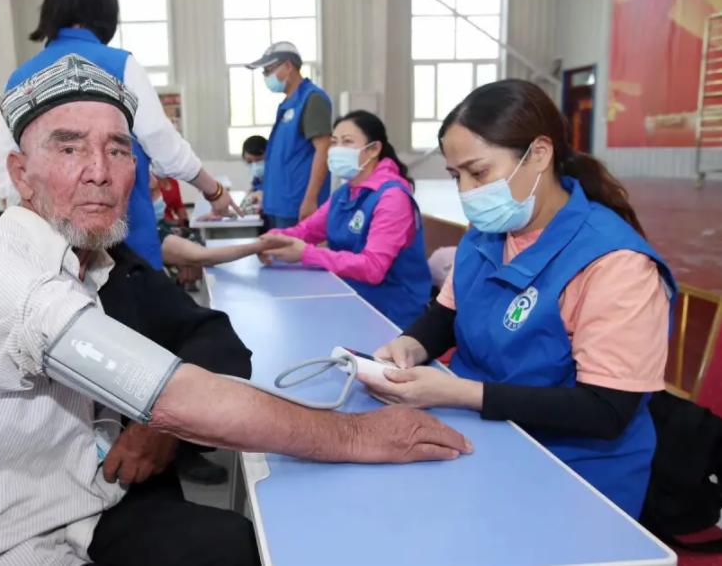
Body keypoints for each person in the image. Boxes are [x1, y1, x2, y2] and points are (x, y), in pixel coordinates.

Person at [0, 53, 471, 566]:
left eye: (118, 150)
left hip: (68, 509)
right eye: (69, 147)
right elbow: (175, 397)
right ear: (21, 174)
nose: (99, 171)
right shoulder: (3, 272)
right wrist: (358, 435)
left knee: (236, 543)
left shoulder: (89, 262)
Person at [360, 79, 676, 520]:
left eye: (478, 172)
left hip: (574, 475)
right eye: (456, 176)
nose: (467, 192)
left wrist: (461, 392)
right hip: (483, 439)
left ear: (540, 154)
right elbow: (447, 313)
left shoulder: (614, 263)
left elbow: (606, 409)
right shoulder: (487, 235)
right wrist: (410, 344)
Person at [0, 0, 239, 270]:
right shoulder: (119, 65)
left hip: (47, 259)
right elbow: (167, 149)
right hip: (124, 250)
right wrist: (214, 191)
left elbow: (7, 178)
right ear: (105, 8)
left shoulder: (18, 79)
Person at [259, 110, 432, 330]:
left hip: (390, 312)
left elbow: (373, 267)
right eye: (334, 142)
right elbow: (307, 231)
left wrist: (306, 253)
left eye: (347, 141)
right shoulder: (344, 193)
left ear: (374, 149)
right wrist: (273, 238)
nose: (337, 149)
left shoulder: (392, 197)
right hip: (351, 296)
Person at [246, 41, 332, 228]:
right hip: (280, 204)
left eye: (268, 70)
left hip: (297, 205)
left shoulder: (312, 99)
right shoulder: (289, 104)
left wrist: (311, 199)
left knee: (295, 247)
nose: (266, 76)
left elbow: (323, 150)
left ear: (287, 66)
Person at [240, 134, 266, 215]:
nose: (254, 166)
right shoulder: (257, 180)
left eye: (258, 161)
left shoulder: (276, 179)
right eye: (249, 161)